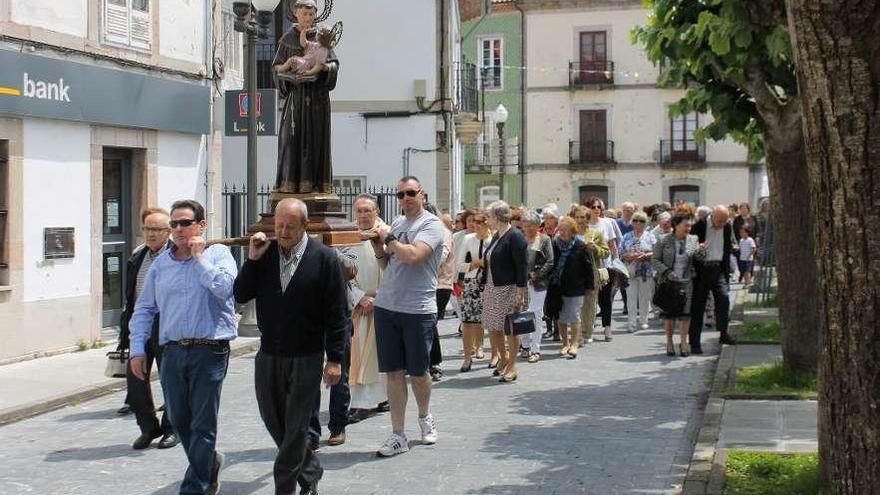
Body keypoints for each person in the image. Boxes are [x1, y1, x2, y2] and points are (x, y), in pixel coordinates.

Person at [233, 198, 347, 495]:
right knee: (274, 421)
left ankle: (284, 489)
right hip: (269, 353)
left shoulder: (324, 259)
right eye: (279, 225)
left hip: (307, 355)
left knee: (296, 427)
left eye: (290, 226)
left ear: (304, 226)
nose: (283, 231)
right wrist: (252, 260)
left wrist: (335, 359)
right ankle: (310, 469)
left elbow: (337, 314)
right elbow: (241, 293)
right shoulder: (265, 255)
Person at [129, 199, 238, 495]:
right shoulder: (162, 264)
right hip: (172, 351)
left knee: (203, 422)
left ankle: (196, 487)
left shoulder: (219, 254)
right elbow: (144, 309)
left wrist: (199, 258)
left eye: (185, 223)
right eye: (174, 224)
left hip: (209, 349)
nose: (178, 229)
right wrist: (137, 348)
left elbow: (226, 289)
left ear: (201, 225)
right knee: (179, 419)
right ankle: (209, 463)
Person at [370, 176, 444, 457]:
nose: (405, 199)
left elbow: (414, 256)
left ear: (422, 194)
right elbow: (389, 263)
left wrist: (387, 238)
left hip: (417, 308)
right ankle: (397, 433)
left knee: (419, 372)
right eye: (400, 194)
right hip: (388, 305)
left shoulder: (431, 225)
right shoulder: (398, 224)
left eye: (410, 193)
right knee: (393, 373)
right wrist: (379, 247)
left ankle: (424, 416)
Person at [119, 207, 177, 450]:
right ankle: (148, 428)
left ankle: (171, 429)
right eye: (147, 229)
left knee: (169, 380)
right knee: (135, 381)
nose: (151, 234)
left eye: (157, 229)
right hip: (140, 324)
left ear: (168, 232)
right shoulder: (137, 255)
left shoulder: (175, 256)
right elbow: (131, 295)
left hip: (166, 324)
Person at [273, 0, 340, 194]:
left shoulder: (322, 37)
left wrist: (327, 68)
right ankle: (290, 185)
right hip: (296, 100)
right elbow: (276, 67)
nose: (308, 18)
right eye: (304, 14)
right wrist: (289, 77)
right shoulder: (287, 39)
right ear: (296, 14)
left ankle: (316, 185)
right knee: (291, 140)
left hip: (317, 100)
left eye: (311, 15)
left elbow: (333, 64)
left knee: (316, 141)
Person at [347, 195, 389, 424]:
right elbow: (342, 269)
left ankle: (380, 398)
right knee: (359, 353)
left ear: (377, 211)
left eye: (367, 211)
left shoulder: (387, 233)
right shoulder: (349, 236)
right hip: (359, 306)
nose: (362, 215)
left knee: (380, 355)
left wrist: (379, 298)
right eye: (359, 211)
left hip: (383, 304)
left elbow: (394, 269)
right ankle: (363, 402)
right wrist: (360, 297)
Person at [480, 200, 528, 382]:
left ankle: (513, 366)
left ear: (497, 217)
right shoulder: (497, 235)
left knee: (511, 329)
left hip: (510, 288)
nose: (487, 219)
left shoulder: (515, 236)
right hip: (494, 287)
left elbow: (522, 266)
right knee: (493, 326)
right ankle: (504, 357)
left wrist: (520, 292)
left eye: (489, 216)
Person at [652, 213, 703, 357]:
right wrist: (667, 272)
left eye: (690, 225)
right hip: (669, 283)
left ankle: (684, 342)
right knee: (669, 314)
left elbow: (699, 258)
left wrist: (702, 251)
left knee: (685, 315)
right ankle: (669, 342)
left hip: (686, 282)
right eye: (686, 225)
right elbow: (655, 260)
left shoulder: (693, 239)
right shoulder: (663, 240)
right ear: (676, 225)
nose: (689, 228)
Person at [689, 205, 738, 354]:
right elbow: (690, 249)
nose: (721, 224)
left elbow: (727, 250)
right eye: (719, 221)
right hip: (701, 270)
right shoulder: (700, 226)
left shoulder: (727, 227)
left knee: (723, 299)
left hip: (718, 269)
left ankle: (723, 333)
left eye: (724, 221)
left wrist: (727, 274)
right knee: (698, 306)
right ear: (712, 216)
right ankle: (695, 343)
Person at [545, 217, 595, 359]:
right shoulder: (554, 245)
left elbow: (588, 268)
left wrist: (590, 287)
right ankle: (564, 344)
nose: (562, 232)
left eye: (565, 230)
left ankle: (574, 344)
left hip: (576, 287)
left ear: (573, 231)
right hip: (558, 287)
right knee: (560, 317)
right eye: (560, 230)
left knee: (574, 316)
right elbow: (550, 264)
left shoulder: (580, 246)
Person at [456, 210, 492, 372]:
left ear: (487, 223)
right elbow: (459, 264)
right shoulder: (468, 239)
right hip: (471, 282)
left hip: (491, 283)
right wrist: (474, 264)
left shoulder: (494, 239)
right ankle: (467, 358)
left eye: (479, 222)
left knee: (490, 321)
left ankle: (494, 354)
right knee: (468, 321)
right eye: (473, 222)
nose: (475, 225)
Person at [585, 197, 622, 342]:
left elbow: (612, 244)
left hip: (605, 266)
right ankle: (588, 328)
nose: (596, 209)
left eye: (598, 207)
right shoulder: (584, 225)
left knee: (605, 298)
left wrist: (616, 262)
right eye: (593, 207)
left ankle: (607, 328)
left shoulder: (607, 223)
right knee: (589, 299)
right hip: (587, 266)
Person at [425, 203, 453, 382]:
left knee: (430, 324)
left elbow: (441, 257)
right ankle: (427, 361)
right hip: (426, 283)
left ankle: (434, 363)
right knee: (427, 324)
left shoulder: (443, 232)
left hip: (440, 284)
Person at [521, 210, 553, 363]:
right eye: (524, 226)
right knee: (522, 314)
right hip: (521, 283)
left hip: (538, 283)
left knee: (536, 314)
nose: (527, 229)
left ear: (537, 225)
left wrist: (537, 274)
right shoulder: (520, 239)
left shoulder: (545, 240)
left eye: (530, 226)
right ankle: (525, 345)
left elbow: (550, 261)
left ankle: (536, 348)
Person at [573, 205, 609, 345]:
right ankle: (577, 332)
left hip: (591, 272)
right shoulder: (571, 233)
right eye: (577, 217)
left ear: (587, 219)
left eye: (582, 217)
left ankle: (587, 332)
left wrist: (596, 248)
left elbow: (606, 252)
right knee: (575, 304)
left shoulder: (596, 233)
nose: (580, 220)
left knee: (589, 304)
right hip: (574, 273)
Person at [620, 211, 657, 332]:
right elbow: (621, 252)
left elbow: (656, 252)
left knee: (644, 297)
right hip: (630, 271)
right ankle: (631, 323)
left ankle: (643, 320)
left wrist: (646, 255)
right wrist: (629, 256)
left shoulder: (650, 236)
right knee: (631, 298)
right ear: (632, 222)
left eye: (641, 221)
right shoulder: (626, 236)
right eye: (635, 220)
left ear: (645, 223)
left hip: (646, 271)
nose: (638, 223)